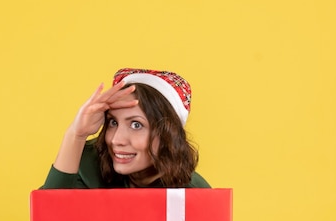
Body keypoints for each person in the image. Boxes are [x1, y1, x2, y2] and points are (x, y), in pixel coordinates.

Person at [41, 68, 210, 189]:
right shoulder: (85, 162)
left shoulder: (193, 192)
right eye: (113, 122)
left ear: (168, 134)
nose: (116, 140)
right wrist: (76, 135)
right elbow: (47, 220)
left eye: (136, 125)